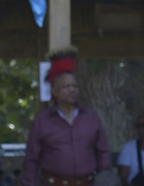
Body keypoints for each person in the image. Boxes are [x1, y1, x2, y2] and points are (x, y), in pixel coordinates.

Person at [21, 50, 111, 186]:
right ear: (55, 91)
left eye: (75, 86)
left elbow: (103, 153)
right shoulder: (42, 120)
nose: (72, 90)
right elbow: (31, 159)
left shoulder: (91, 118)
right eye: (66, 87)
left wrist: (105, 180)